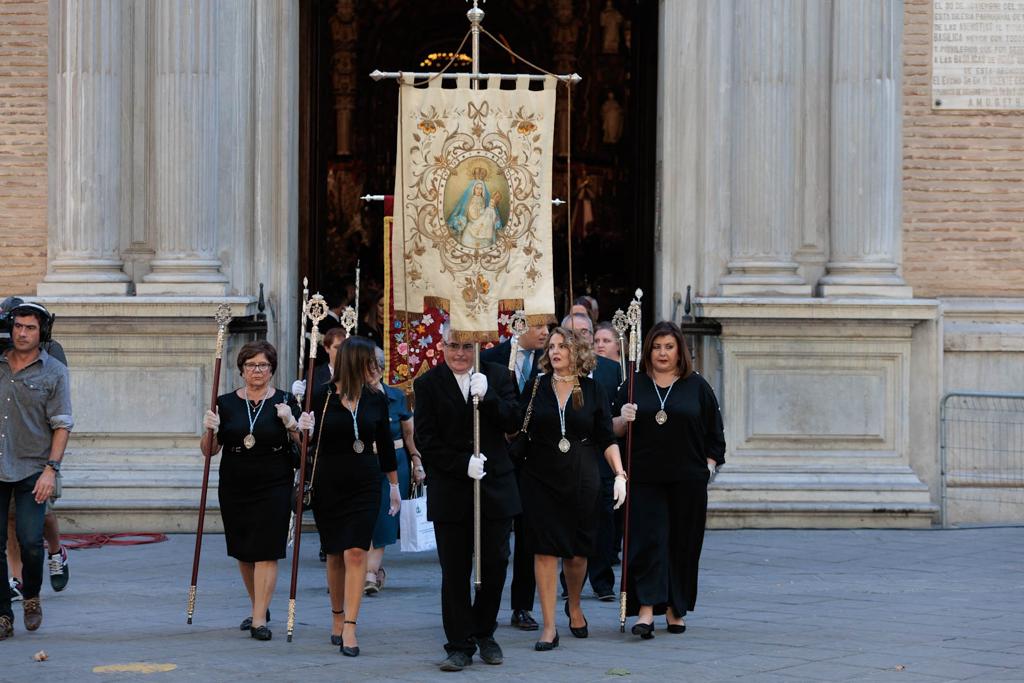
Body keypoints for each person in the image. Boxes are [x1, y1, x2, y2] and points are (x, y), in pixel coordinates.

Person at [414, 323, 520, 671]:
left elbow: (514, 421)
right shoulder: (427, 384)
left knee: (494, 565)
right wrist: (462, 464)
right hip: (452, 488)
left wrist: (488, 397)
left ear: (478, 346)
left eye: (466, 347)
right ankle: (459, 643)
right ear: (441, 346)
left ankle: (484, 632)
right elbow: (426, 441)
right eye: (452, 346)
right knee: (455, 570)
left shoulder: (499, 377)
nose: (459, 354)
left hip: (494, 487)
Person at [613, 321, 725, 639]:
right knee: (648, 542)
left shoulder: (697, 386)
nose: (662, 353)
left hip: (687, 479)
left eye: (669, 347)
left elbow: (715, 432)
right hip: (644, 478)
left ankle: (676, 608)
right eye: (657, 346)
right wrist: (623, 418)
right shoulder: (633, 384)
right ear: (648, 350)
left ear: (680, 351)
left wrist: (709, 465)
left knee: (683, 544)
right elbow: (610, 429)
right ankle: (647, 610)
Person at [519, 327, 626, 651]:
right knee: (545, 550)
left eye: (562, 346)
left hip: (582, 475)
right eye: (551, 346)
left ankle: (575, 604)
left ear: (576, 351)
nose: (554, 351)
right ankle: (549, 626)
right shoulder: (535, 386)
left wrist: (620, 473)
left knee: (578, 553)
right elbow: (515, 426)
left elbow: (606, 437)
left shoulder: (592, 390)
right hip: (540, 476)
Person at [200, 340, 307, 642]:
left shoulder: (286, 400)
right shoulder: (224, 402)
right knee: (244, 550)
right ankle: (258, 603)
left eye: (263, 365)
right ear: (242, 370)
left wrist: (291, 423)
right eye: (251, 365)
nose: (257, 370)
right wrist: (209, 428)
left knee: (267, 550)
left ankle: (259, 618)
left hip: (274, 480)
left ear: (272, 369)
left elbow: (305, 447)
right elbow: (210, 451)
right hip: (235, 481)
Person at [307, 336, 399, 656]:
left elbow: (386, 446)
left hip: (365, 481)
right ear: (353, 362)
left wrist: (395, 488)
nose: (373, 366)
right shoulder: (321, 396)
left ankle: (351, 625)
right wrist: (299, 426)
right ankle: (336, 615)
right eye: (368, 360)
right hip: (328, 482)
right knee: (334, 553)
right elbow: (304, 443)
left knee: (356, 552)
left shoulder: (376, 398)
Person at [0, 301, 73, 639]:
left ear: (41, 331)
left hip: (33, 468)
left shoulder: (54, 371)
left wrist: (51, 470)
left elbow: (62, 424)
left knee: (30, 541)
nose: (22, 333)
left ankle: (31, 596)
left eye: (29, 327)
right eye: (18, 326)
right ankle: (3, 613)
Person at [480, 321, 548, 631]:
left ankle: (522, 606)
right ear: (519, 326)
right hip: (499, 458)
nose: (546, 332)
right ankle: (485, 604)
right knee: (493, 542)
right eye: (539, 325)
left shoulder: (550, 359)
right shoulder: (492, 358)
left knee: (528, 536)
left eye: (549, 326)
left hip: (534, 459)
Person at [560, 312, 621, 601]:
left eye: (583, 333)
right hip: (566, 458)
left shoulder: (611, 370)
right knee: (568, 518)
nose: (577, 339)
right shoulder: (553, 372)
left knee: (604, 519)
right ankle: (569, 580)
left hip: (601, 455)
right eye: (569, 334)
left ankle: (602, 581)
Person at [364, 349, 425, 595]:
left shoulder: (396, 397)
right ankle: (369, 569)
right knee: (365, 515)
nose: (372, 372)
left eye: (376, 366)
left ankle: (370, 573)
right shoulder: (352, 396)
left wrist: (417, 462)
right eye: (367, 367)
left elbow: (409, 434)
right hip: (365, 462)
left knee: (385, 517)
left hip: (395, 461)